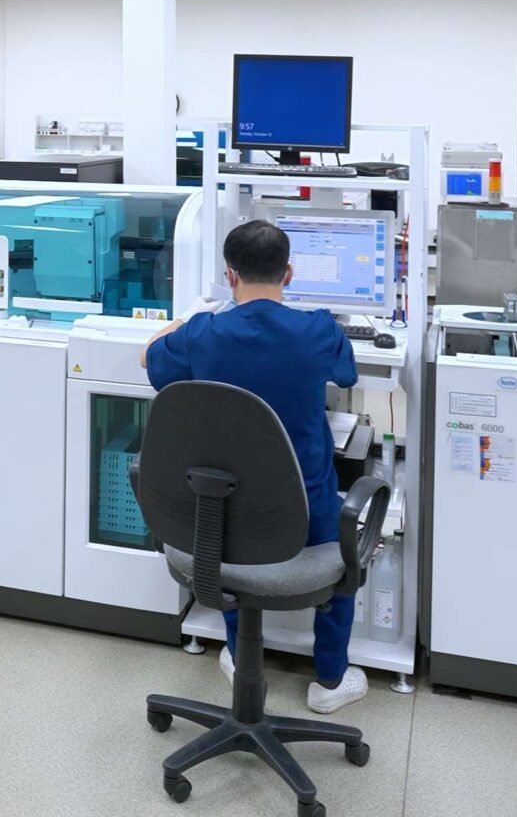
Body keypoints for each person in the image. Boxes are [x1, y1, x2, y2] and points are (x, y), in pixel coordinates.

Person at [141, 219, 366, 714]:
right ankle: (329, 680)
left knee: (229, 506)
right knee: (343, 528)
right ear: (289, 274)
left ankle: (239, 656)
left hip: (218, 514)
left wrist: (187, 320)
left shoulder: (204, 333)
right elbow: (348, 373)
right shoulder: (319, 329)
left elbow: (148, 358)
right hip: (306, 517)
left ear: (230, 276)